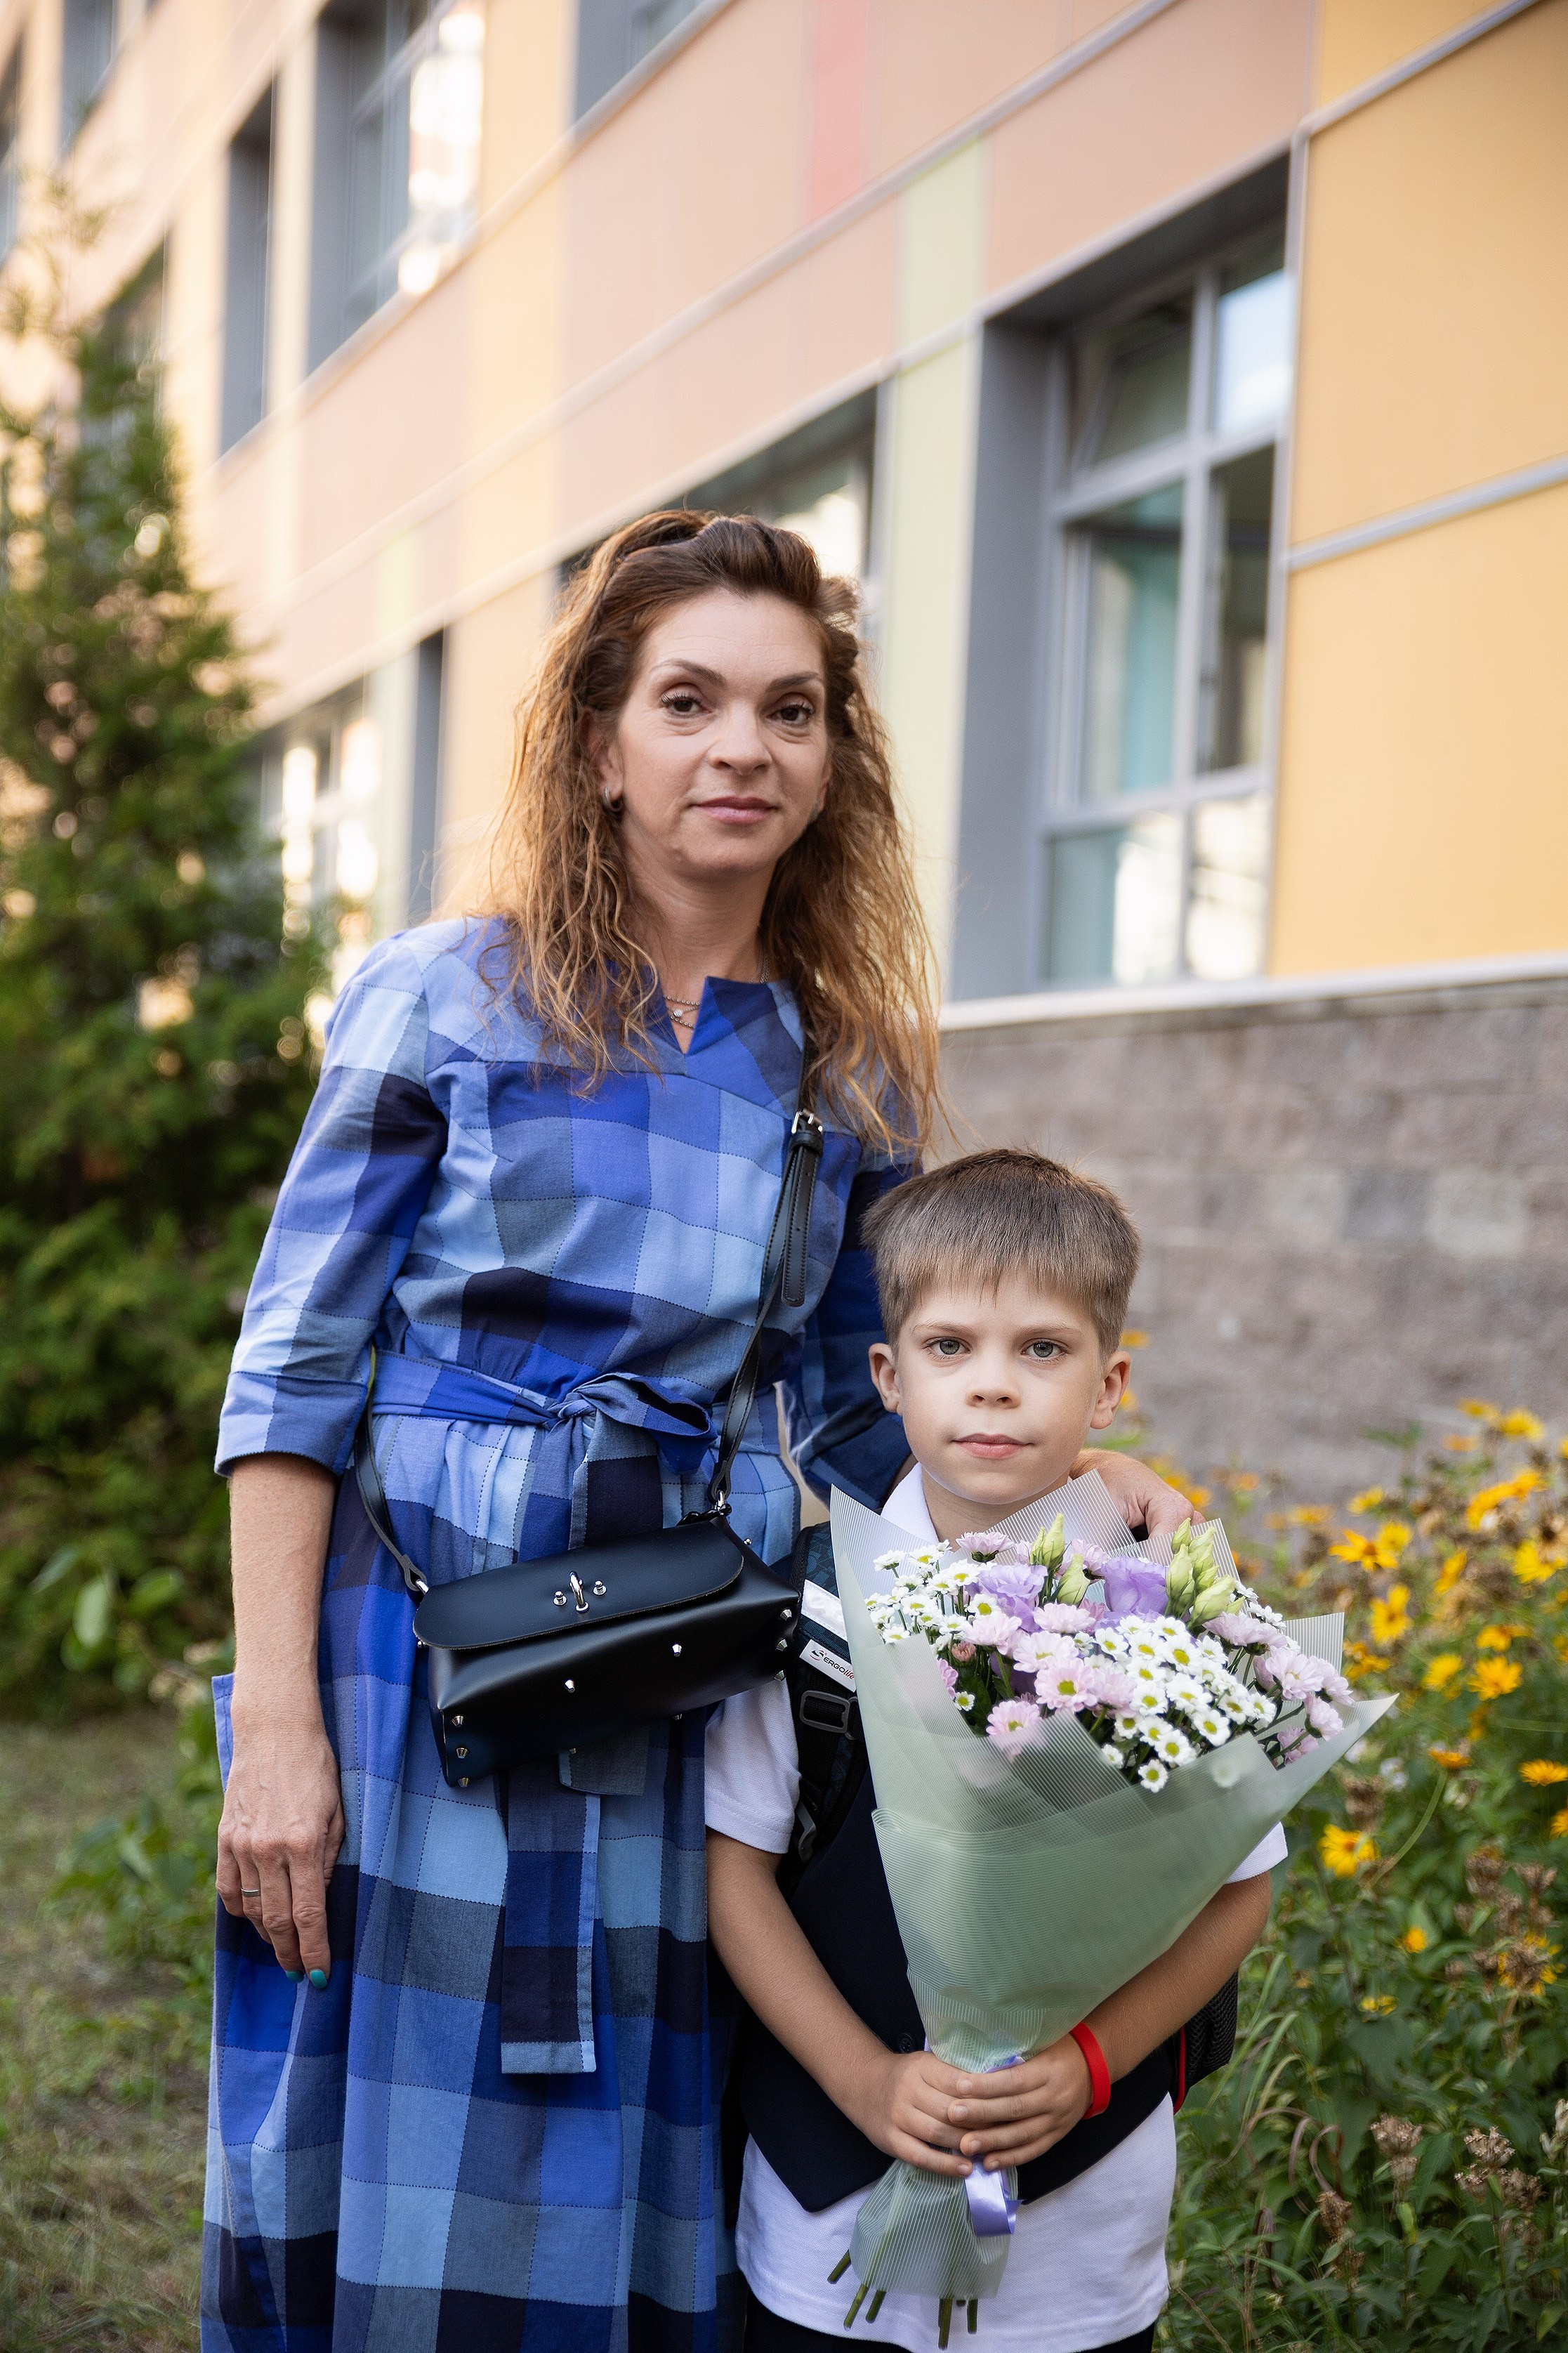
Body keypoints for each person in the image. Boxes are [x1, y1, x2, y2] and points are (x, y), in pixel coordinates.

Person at [205, 516, 1195, 2353]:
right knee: (403, 2114)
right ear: (598, 740)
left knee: (652, 2120)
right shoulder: (445, 994)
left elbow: (861, 1395)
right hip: (421, 1655)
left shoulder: (849, 1059)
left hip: (691, 1653)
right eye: (689, 700)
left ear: (833, 760)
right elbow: (293, 1369)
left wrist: (1085, 1500)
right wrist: (276, 1727)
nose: (743, 744)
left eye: (789, 708)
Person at [706, 1149, 1284, 2353]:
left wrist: (1090, 2061)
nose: (994, 1388)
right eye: (950, 1346)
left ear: (1109, 1380)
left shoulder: (1168, 1607)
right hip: (825, 2215)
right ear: (887, 1372)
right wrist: (865, 2079)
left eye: (1042, 1349)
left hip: (1078, 2237)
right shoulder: (809, 1608)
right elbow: (733, 1870)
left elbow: (1240, 1884)